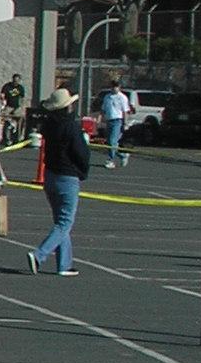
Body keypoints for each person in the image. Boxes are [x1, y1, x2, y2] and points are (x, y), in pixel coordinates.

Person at [28, 87, 91, 277]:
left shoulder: (49, 126)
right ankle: (39, 254)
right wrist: (83, 170)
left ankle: (64, 264)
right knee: (65, 222)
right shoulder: (71, 127)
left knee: (60, 222)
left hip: (50, 175)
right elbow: (81, 152)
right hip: (67, 177)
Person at [97, 78, 132, 170]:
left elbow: (125, 111)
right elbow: (103, 109)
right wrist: (99, 119)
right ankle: (123, 155)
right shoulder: (107, 97)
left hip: (118, 121)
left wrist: (125, 123)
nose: (114, 88)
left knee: (112, 141)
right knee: (110, 143)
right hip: (109, 121)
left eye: (116, 86)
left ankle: (110, 160)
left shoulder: (123, 97)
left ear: (119, 87)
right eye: (113, 86)